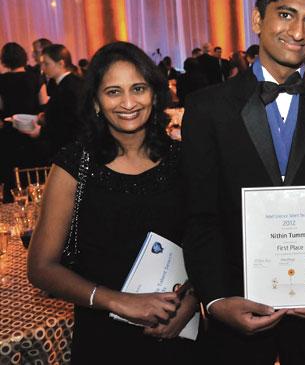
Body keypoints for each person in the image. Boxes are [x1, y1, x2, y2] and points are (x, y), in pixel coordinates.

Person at [181, 0, 305, 365]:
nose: (298, 32)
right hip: (238, 308)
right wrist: (215, 300)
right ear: (257, 19)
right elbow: (201, 217)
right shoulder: (207, 109)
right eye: (286, 14)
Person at [27, 41, 205, 364]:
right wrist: (119, 302)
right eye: (113, 92)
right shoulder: (74, 164)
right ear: (96, 101)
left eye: (138, 88)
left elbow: (208, 242)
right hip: (104, 340)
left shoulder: (184, 159)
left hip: (179, 331)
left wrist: (193, 300)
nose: (128, 102)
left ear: (154, 93)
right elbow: (40, 268)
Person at [0, 42, 48, 200]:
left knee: (11, 176)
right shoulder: (36, 78)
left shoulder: (2, 81)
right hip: (32, 131)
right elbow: (43, 104)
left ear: (4, 60)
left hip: (9, 134)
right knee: (34, 174)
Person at [27, 44, 84, 158]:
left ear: (61, 63)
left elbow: (69, 122)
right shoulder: (68, 83)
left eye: (46, 64)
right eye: (42, 64)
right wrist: (46, 116)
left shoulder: (69, 87)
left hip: (71, 149)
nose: (42, 68)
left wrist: (41, 132)